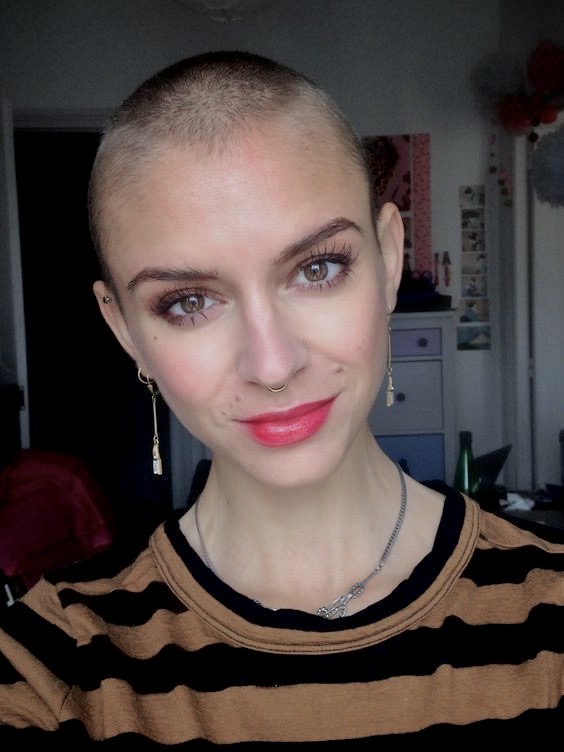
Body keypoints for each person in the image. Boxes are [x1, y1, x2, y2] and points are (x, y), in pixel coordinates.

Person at [1, 50, 563, 745]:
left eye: (317, 268)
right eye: (189, 302)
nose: (272, 365)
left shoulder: (551, 611)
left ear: (389, 260)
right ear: (125, 331)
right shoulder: (51, 666)